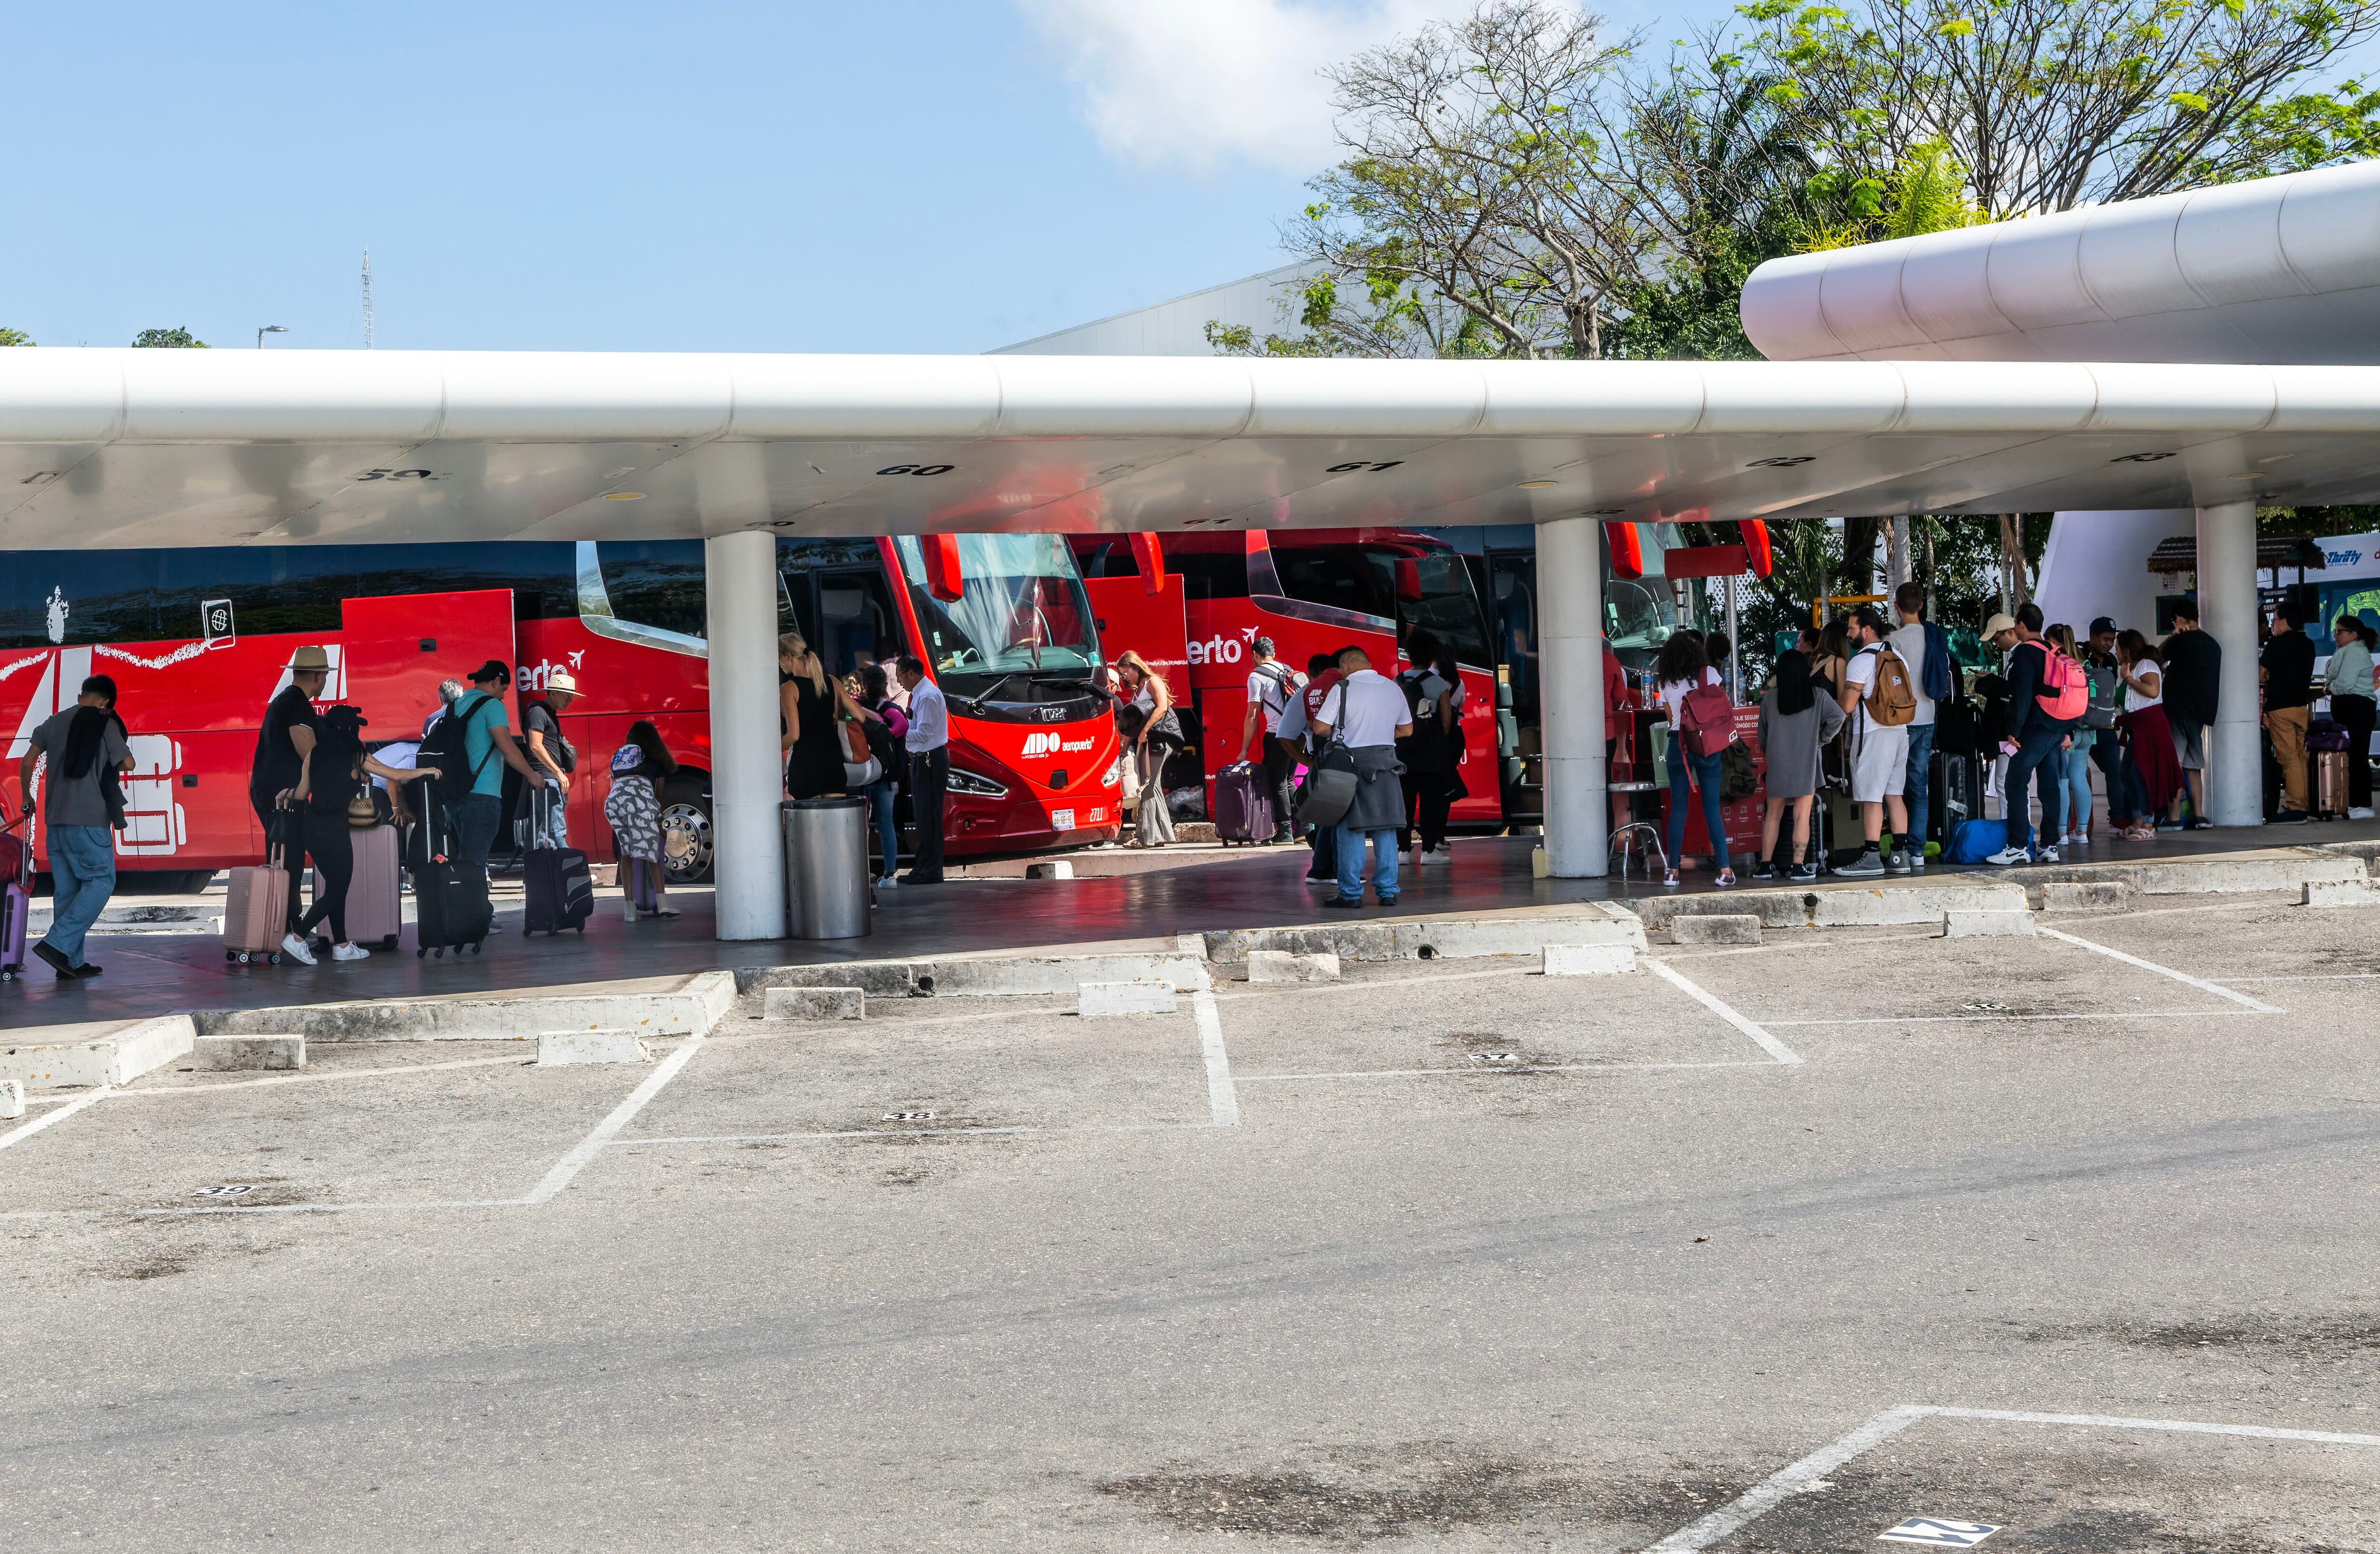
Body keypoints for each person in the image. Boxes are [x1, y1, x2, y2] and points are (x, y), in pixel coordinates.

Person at [282, 706, 424, 966]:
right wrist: (427, 771)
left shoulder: (315, 753)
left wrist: (286, 794)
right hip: (335, 829)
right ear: (352, 728)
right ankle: (298, 937)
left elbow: (302, 794)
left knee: (337, 886)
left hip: (311, 828)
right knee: (338, 888)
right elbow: (394, 775)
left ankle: (342, 945)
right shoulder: (355, 753)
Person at [17, 674, 130, 979]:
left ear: (82, 696)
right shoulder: (105, 724)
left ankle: (70, 963)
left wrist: (27, 795)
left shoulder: (55, 722)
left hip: (55, 821)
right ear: (106, 702)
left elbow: (27, 762)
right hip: (89, 821)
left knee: (67, 891)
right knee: (101, 881)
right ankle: (57, 945)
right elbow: (127, 764)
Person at [1310, 645, 1412, 907]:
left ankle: (1351, 895)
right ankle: (1388, 892)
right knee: (1386, 828)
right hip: (1387, 764)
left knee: (1350, 830)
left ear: (1344, 667)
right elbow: (1407, 729)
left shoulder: (1342, 689)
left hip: (1352, 767)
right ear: (1367, 663)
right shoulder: (1392, 687)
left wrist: (1340, 732)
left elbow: (1321, 727)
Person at [1987, 603, 2076, 866]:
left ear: (2022, 625)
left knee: (2015, 782)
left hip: (2035, 728)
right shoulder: (2052, 650)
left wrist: (2014, 730)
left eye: (2016, 624)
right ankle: (2049, 845)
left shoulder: (2025, 652)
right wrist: (2066, 729)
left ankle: (2017, 847)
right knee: (2050, 786)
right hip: (2056, 726)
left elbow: (2022, 696)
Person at [1755, 640, 1846, 882]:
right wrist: (1822, 739)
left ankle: (1765, 866)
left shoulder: (1771, 699)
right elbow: (1839, 717)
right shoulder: (1818, 696)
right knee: (1802, 815)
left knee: (1772, 814)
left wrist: (1770, 751)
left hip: (1778, 763)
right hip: (1806, 762)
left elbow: (1761, 736)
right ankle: (1798, 867)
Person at [1836, 606, 1912, 878]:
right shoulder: (1898, 657)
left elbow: (1846, 706)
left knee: (1871, 797)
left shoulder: (1860, 662)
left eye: (1852, 628)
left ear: (1867, 630)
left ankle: (1871, 856)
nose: (1848, 633)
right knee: (1894, 795)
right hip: (1900, 731)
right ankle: (1899, 856)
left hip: (1873, 735)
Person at [449, 660, 545, 876]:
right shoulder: (492, 706)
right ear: (497, 681)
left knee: (465, 856)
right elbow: (508, 748)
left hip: (457, 794)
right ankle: (474, 907)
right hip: (483, 794)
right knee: (475, 861)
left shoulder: (456, 704)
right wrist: (532, 775)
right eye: (504, 689)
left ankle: (467, 904)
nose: (503, 696)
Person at [1654, 631, 1733, 887]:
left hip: (1678, 744)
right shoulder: (1709, 674)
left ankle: (1673, 871)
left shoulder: (1664, 682)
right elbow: (1720, 707)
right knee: (1711, 808)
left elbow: (1670, 718)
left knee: (1678, 808)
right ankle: (1725, 870)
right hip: (1707, 745)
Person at [1396, 631, 1464, 867]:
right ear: (1432, 654)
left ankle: (1403, 851)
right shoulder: (1436, 683)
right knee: (1430, 802)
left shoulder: (1398, 681)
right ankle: (1428, 851)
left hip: (1403, 752)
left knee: (1404, 802)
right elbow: (1446, 722)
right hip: (1430, 754)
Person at [603, 720, 680, 921]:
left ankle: (629, 909)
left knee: (626, 853)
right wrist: (660, 824)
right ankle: (662, 903)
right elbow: (657, 796)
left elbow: (613, 782)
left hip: (615, 801)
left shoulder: (625, 759)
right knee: (651, 850)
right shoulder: (657, 762)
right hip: (641, 801)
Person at [1281, 650, 1345, 882]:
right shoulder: (1307, 694)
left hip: (1326, 760)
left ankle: (1323, 869)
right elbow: (1285, 736)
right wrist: (1309, 763)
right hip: (1326, 761)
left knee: (1331, 816)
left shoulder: (1318, 690)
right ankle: (1331, 869)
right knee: (1334, 817)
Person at [1888, 582, 1937, 869]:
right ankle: (1918, 851)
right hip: (1928, 718)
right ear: (1921, 606)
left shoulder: (1895, 641)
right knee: (1920, 787)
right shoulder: (1933, 636)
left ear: (1897, 606)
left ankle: (1899, 845)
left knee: (1895, 786)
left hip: (1902, 721)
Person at [2160, 598, 2221, 828]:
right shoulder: (2213, 644)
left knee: (2174, 764)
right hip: (2201, 713)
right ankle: (2200, 815)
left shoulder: (2181, 640)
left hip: (2176, 709)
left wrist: (2174, 636)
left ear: (2179, 619)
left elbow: (2156, 657)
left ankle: (2174, 818)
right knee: (2194, 765)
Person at [2115, 629, 2181, 839]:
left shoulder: (2146, 665)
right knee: (2127, 772)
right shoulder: (2131, 669)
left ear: (2126, 649)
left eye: (2118, 649)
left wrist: (2127, 679)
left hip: (2150, 724)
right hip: (2137, 725)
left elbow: (2152, 691)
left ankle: (2148, 821)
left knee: (2141, 773)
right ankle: (2137, 818)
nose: (2115, 653)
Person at [1239, 636, 1303, 845]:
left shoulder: (1256, 676)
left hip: (1278, 735)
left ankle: (1285, 830)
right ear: (1273, 654)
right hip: (1299, 734)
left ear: (1255, 656)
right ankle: (1304, 825)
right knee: (1289, 780)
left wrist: (1244, 750)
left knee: (1277, 782)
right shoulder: (1287, 670)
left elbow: (1253, 715)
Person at [1116, 651, 1180, 847]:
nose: (1125, 678)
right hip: (1148, 741)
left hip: (1159, 740)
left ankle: (1144, 837)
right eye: (1122, 675)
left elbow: (1162, 707)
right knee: (1154, 787)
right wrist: (1124, 748)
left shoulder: (1153, 682)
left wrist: (1144, 731)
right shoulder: (1138, 690)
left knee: (1147, 786)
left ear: (1136, 667)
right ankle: (1163, 835)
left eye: (1126, 673)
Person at [781, 632, 853, 802]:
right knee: (835, 825)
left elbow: (794, 735)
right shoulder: (831, 681)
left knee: (808, 826)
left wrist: (766, 752)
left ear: (788, 656)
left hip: (805, 764)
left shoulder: (789, 688)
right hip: (832, 762)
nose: (780, 664)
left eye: (779, 659)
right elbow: (856, 716)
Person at [2262, 603, 2317, 824]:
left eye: (2274, 619)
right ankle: (2303, 804)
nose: (2273, 624)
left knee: (2288, 758)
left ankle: (2296, 808)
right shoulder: (2308, 644)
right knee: (2300, 757)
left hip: (2280, 708)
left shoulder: (2276, 644)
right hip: (2300, 708)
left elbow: (2260, 673)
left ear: (2283, 621)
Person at [856, 664, 910, 887]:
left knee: (860, 826)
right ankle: (889, 874)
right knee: (886, 824)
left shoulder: (855, 706)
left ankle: (860, 872)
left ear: (864, 686)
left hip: (860, 775)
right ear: (885, 685)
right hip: (887, 778)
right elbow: (901, 729)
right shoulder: (892, 711)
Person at [896, 656, 949, 884]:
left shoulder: (927, 696)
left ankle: (931, 870)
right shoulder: (919, 694)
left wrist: (896, 732)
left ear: (910, 673)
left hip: (930, 760)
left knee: (930, 817)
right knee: (922, 817)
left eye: (900, 676)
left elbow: (924, 734)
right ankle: (923, 865)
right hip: (921, 759)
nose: (899, 682)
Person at [2047, 624, 2097, 847]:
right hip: (2089, 729)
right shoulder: (2085, 663)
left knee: (2063, 779)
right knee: (2079, 777)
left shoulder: (2060, 663)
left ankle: (2062, 833)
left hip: (2068, 730)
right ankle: (2082, 832)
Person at [519, 669, 580, 847]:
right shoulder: (538, 712)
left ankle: (534, 872)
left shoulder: (546, 712)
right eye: (567, 696)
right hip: (547, 779)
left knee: (537, 831)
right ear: (553, 693)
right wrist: (558, 774)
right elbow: (535, 745)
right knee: (557, 830)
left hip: (546, 778)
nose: (570, 700)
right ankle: (569, 869)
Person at [2324, 615, 2377, 819]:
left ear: (2354, 634)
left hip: (2359, 708)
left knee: (2359, 756)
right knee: (2349, 756)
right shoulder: (2344, 649)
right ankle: (2348, 802)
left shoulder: (2355, 651)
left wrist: (2330, 688)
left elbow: (2344, 682)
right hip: (2349, 707)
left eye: (2340, 632)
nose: (2336, 636)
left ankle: (2363, 804)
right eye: (2335, 631)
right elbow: (2331, 673)